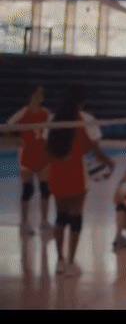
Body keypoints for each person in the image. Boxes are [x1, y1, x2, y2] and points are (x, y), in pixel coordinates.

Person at [45, 84, 114, 277]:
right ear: (83, 101)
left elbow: (47, 149)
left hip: (57, 173)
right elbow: (97, 152)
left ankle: (59, 261)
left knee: (61, 217)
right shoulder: (87, 120)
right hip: (76, 173)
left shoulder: (52, 119)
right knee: (76, 218)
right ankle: (71, 262)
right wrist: (110, 164)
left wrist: (59, 160)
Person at [5, 85, 52, 235]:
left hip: (43, 155)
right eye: (37, 94)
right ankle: (24, 222)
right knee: (28, 190)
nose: (40, 97)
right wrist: (16, 139)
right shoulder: (23, 113)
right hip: (27, 155)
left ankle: (44, 221)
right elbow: (7, 127)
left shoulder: (46, 113)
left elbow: (53, 129)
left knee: (45, 189)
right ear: (31, 95)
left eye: (42, 94)